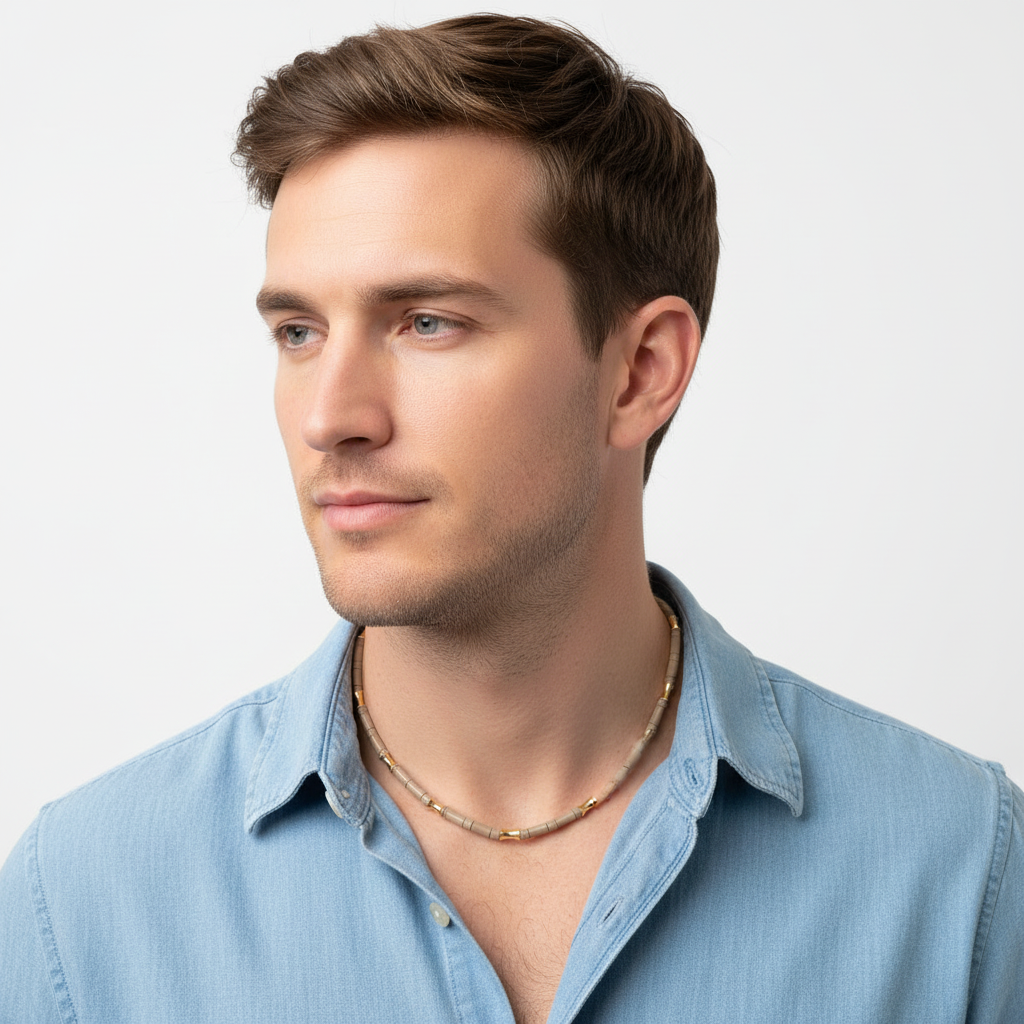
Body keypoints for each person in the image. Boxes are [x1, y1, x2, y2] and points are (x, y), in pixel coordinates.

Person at [1, 13, 1020, 1023]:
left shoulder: (960, 869)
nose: (330, 417)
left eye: (428, 322)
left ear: (639, 371)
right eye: (299, 331)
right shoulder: (84, 902)